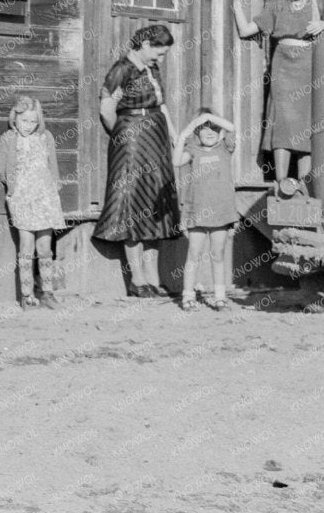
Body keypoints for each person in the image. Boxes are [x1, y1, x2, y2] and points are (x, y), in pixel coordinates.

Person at [93, 23, 181, 299]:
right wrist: (123, 132)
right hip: (131, 140)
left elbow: (161, 104)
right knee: (132, 202)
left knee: (156, 203)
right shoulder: (122, 70)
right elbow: (107, 108)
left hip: (156, 138)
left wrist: (174, 133)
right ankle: (137, 280)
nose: (161, 59)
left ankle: (155, 279)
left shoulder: (151, 69)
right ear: (144, 45)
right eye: (159, 53)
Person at [232, 0, 324, 196]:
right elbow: (246, 30)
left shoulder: (321, 3)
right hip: (284, 65)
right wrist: (236, 1)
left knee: (306, 125)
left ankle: (304, 185)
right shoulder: (276, 5)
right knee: (283, 123)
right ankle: (282, 184)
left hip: (310, 64)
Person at [0, 93, 66, 309]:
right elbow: (3, 169)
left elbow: (53, 165)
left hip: (44, 196)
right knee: (26, 246)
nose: (28, 125)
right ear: (15, 117)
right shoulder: (8, 139)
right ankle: (26, 295)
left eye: (33, 121)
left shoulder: (46, 138)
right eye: (24, 120)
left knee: (45, 246)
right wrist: (13, 189)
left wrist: (53, 189)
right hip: (22, 197)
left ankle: (47, 292)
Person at [174, 109, 239, 311]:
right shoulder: (193, 150)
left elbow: (232, 127)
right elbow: (176, 161)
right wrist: (185, 134)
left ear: (219, 132)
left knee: (218, 254)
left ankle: (220, 297)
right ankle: (188, 297)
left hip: (221, 212)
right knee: (194, 254)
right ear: (197, 133)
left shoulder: (225, 148)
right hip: (197, 212)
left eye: (213, 129)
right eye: (203, 130)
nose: (209, 132)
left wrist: (208, 118)